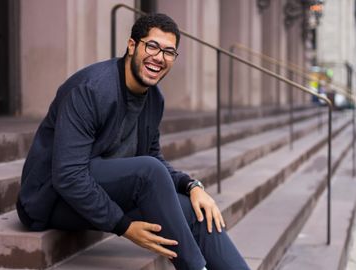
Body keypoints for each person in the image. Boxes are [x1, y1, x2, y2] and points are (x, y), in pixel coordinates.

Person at [16, 13, 250, 270]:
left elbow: (155, 159)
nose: (159, 57)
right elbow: (68, 175)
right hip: (50, 200)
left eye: (169, 52)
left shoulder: (154, 99)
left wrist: (192, 186)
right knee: (147, 171)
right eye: (152, 46)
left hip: (103, 189)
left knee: (196, 211)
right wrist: (123, 225)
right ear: (132, 46)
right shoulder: (91, 90)